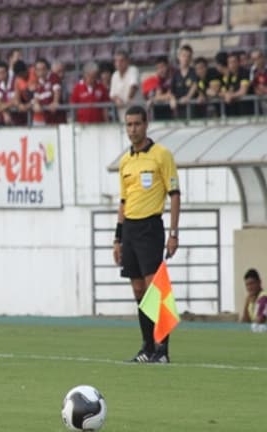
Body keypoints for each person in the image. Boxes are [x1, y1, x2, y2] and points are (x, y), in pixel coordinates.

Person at [113, 105, 180, 364]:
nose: (133, 130)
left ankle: (162, 350)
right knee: (138, 289)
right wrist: (117, 239)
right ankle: (147, 346)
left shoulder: (162, 155)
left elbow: (174, 195)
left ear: (146, 124)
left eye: (137, 124)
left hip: (151, 227)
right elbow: (123, 201)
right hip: (129, 228)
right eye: (128, 125)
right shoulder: (125, 162)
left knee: (156, 289)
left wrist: (174, 233)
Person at [110, 49, 141, 122]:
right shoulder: (115, 75)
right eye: (116, 61)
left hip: (137, 113)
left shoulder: (133, 70)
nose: (118, 63)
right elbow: (112, 94)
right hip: (123, 116)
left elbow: (133, 87)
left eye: (121, 61)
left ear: (127, 61)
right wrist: (117, 99)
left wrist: (126, 101)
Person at [169, 45, 198, 119]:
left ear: (191, 58)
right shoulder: (175, 74)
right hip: (179, 110)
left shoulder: (194, 72)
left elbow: (195, 85)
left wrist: (188, 97)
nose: (186, 58)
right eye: (184, 55)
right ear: (179, 57)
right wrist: (172, 98)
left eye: (188, 56)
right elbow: (171, 90)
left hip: (192, 109)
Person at [146, 56, 173, 121]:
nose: (161, 70)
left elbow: (170, 95)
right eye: (158, 68)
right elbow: (155, 96)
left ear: (168, 66)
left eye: (162, 67)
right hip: (157, 114)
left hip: (171, 114)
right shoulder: (155, 80)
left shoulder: (173, 78)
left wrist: (156, 98)